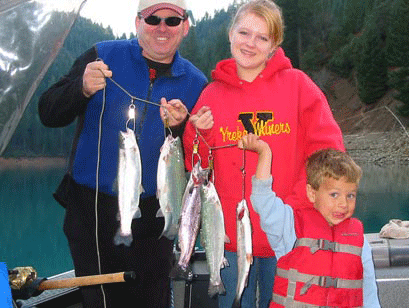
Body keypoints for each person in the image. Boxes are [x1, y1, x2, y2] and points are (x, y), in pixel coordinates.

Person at [38, 1, 207, 307]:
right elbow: (47, 112)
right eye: (153, 18)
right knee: (100, 301)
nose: (161, 27)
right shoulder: (102, 56)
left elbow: (201, 159)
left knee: (153, 300)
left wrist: (181, 128)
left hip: (156, 217)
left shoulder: (196, 83)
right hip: (90, 212)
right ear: (137, 21)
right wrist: (81, 88)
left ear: (185, 26)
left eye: (172, 20)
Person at [183, 0, 345, 306]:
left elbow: (330, 155)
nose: (250, 43)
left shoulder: (299, 86)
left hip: (289, 235)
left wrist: (297, 206)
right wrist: (198, 133)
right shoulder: (211, 94)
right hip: (229, 241)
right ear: (230, 34)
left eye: (262, 37)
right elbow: (197, 172)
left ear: (273, 46)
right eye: (244, 32)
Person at [240, 134, 381, 307]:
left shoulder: (359, 242)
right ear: (312, 193)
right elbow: (263, 200)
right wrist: (264, 152)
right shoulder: (290, 227)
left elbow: (369, 296)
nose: (344, 204)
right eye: (334, 194)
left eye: (350, 195)